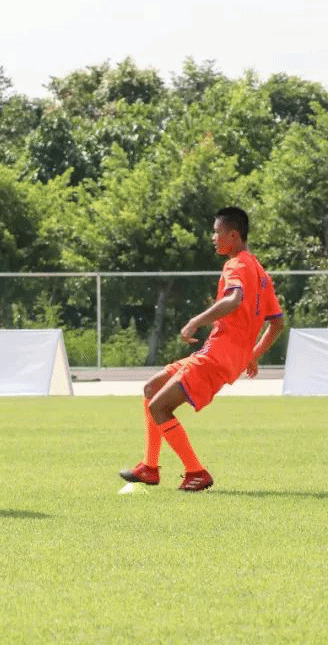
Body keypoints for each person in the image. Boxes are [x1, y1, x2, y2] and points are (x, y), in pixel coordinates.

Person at [120, 207, 285, 491]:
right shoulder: (260, 272)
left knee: (159, 407)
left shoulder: (236, 265)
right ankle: (149, 467)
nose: (213, 237)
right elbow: (277, 323)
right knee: (151, 389)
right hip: (222, 355)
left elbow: (233, 300)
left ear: (234, 236)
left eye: (217, 232)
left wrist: (195, 321)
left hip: (217, 357)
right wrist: (252, 356)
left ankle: (196, 472)